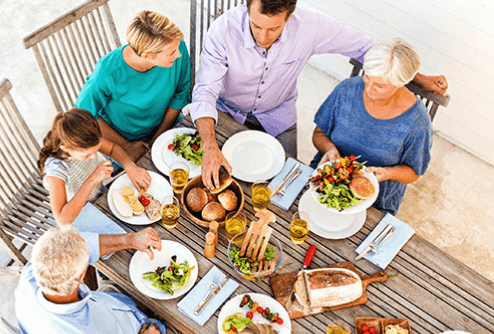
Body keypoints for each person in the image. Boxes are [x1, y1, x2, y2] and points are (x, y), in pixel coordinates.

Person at [189, 0, 448, 191]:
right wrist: (210, 145)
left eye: (274, 29)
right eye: (256, 26)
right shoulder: (223, 30)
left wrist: (418, 77)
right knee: (211, 181)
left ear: (290, 16)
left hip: (277, 116)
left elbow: (368, 49)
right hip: (224, 111)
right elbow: (205, 91)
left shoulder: (310, 25)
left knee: (283, 189)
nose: (263, 36)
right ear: (247, 8)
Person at [14, 225, 192, 334]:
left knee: (120, 282)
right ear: (80, 277)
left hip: (111, 306)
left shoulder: (34, 271)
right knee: (191, 332)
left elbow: (79, 247)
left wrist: (130, 240)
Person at [310, 37, 432, 215]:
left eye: (380, 86)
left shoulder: (417, 123)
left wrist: (388, 173)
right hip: (327, 180)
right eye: (367, 77)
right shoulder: (346, 89)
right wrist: (329, 148)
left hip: (377, 199)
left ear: (401, 84)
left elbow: (414, 172)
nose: (368, 89)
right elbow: (319, 133)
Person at [76, 10, 191, 161]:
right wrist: (126, 146)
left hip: (166, 127)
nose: (179, 55)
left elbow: (180, 95)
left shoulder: (177, 46)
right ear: (146, 55)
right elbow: (83, 116)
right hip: (123, 142)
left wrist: (156, 139)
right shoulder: (107, 72)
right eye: (172, 53)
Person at [38, 109, 151, 225]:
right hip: (80, 213)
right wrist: (92, 179)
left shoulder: (88, 139)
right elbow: (62, 219)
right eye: (87, 155)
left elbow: (112, 149)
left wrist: (130, 166)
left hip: (101, 194)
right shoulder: (56, 170)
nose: (94, 157)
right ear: (66, 148)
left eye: (96, 150)